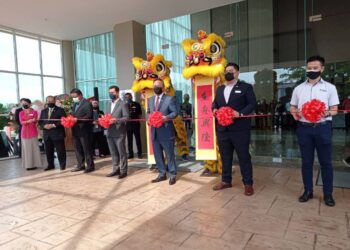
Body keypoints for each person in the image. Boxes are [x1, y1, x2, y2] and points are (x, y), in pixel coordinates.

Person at [290, 55, 339, 207]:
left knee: (326, 163)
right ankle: (308, 191)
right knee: (306, 162)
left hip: (322, 127)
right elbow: (292, 107)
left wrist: (327, 113)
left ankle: (328, 194)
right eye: (309, 68)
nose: (312, 70)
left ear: (322, 69)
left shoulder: (330, 88)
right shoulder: (299, 88)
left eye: (315, 68)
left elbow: (335, 110)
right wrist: (295, 113)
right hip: (304, 129)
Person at [212, 62, 257, 195]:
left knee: (244, 157)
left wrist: (241, 113)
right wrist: (214, 109)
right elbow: (215, 103)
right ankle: (226, 181)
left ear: (237, 73)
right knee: (225, 157)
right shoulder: (220, 89)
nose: (228, 73)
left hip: (240, 129)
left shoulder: (246, 87)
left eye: (231, 70)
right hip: (222, 129)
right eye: (226, 71)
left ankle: (248, 183)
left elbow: (252, 104)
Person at [147, 79, 178, 185]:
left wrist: (166, 117)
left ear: (163, 87)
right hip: (154, 131)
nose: (156, 87)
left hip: (166, 131)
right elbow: (148, 112)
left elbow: (175, 112)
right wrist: (149, 118)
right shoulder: (150, 99)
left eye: (158, 86)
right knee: (157, 154)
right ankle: (162, 174)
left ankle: (173, 174)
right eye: (155, 86)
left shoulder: (170, 99)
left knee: (169, 154)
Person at [105, 86, 129, 179]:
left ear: (117, 93)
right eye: (109, 92)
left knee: (121, 152)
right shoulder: (108, 104)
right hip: (109, 132)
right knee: (113, 152)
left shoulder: (123, 104)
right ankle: (115, 169)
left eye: (112, 92)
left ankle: (123, 171)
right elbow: (107, 116)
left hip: (119, 132)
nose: (111, 94)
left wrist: (116, 120)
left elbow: (126, 117)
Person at [38, 96, 67, 171]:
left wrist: (53, 125)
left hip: (57, 133)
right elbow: (40, 122)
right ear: (46, 101)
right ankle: (50, 165)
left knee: (60, 151)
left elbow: (63, 120)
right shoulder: (43, 111)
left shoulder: (60, 110)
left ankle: (62, 165)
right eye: (48, 101)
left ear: (54, 101)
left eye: (51, 101)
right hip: (47, 134)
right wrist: (44, 125)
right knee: (48, 151)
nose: (50, 102)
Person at [70, 88, 95, 173]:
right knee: (77, 148)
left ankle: (90, 166)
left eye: (75, 96)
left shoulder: (87, 104)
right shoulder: (74, 104)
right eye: (73, 97)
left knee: (86, 148)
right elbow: (73, 115)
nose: (74, 98)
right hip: (75, 129)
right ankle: (80, 165)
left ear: (80, 95)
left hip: (84, 130)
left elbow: (89, 116)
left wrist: (77, 119)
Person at [18, 98, 43, 170]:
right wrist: (29, 120)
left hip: (33, 132)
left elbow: (35, 121)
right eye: (23, 104)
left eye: (26, 103)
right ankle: (28, 165)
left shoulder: (34, 112)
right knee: (26, 149)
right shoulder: (21, 113)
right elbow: (21, 122)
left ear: (29, 104)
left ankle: (35, 164)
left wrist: (28, 121)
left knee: (34, 148)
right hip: (24, 133)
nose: (24, 105)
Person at [124, 93, 143, 159]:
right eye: (126, 97)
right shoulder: (124, 105)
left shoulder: (136, 104)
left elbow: (140, 114)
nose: (127, 98)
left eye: (128, 97)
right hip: (128, 124)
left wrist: (139, 120)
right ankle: (130, 154)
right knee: (129, 140)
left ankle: (139, 153)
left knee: (138, 139)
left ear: (131, 97)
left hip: (135, 123)